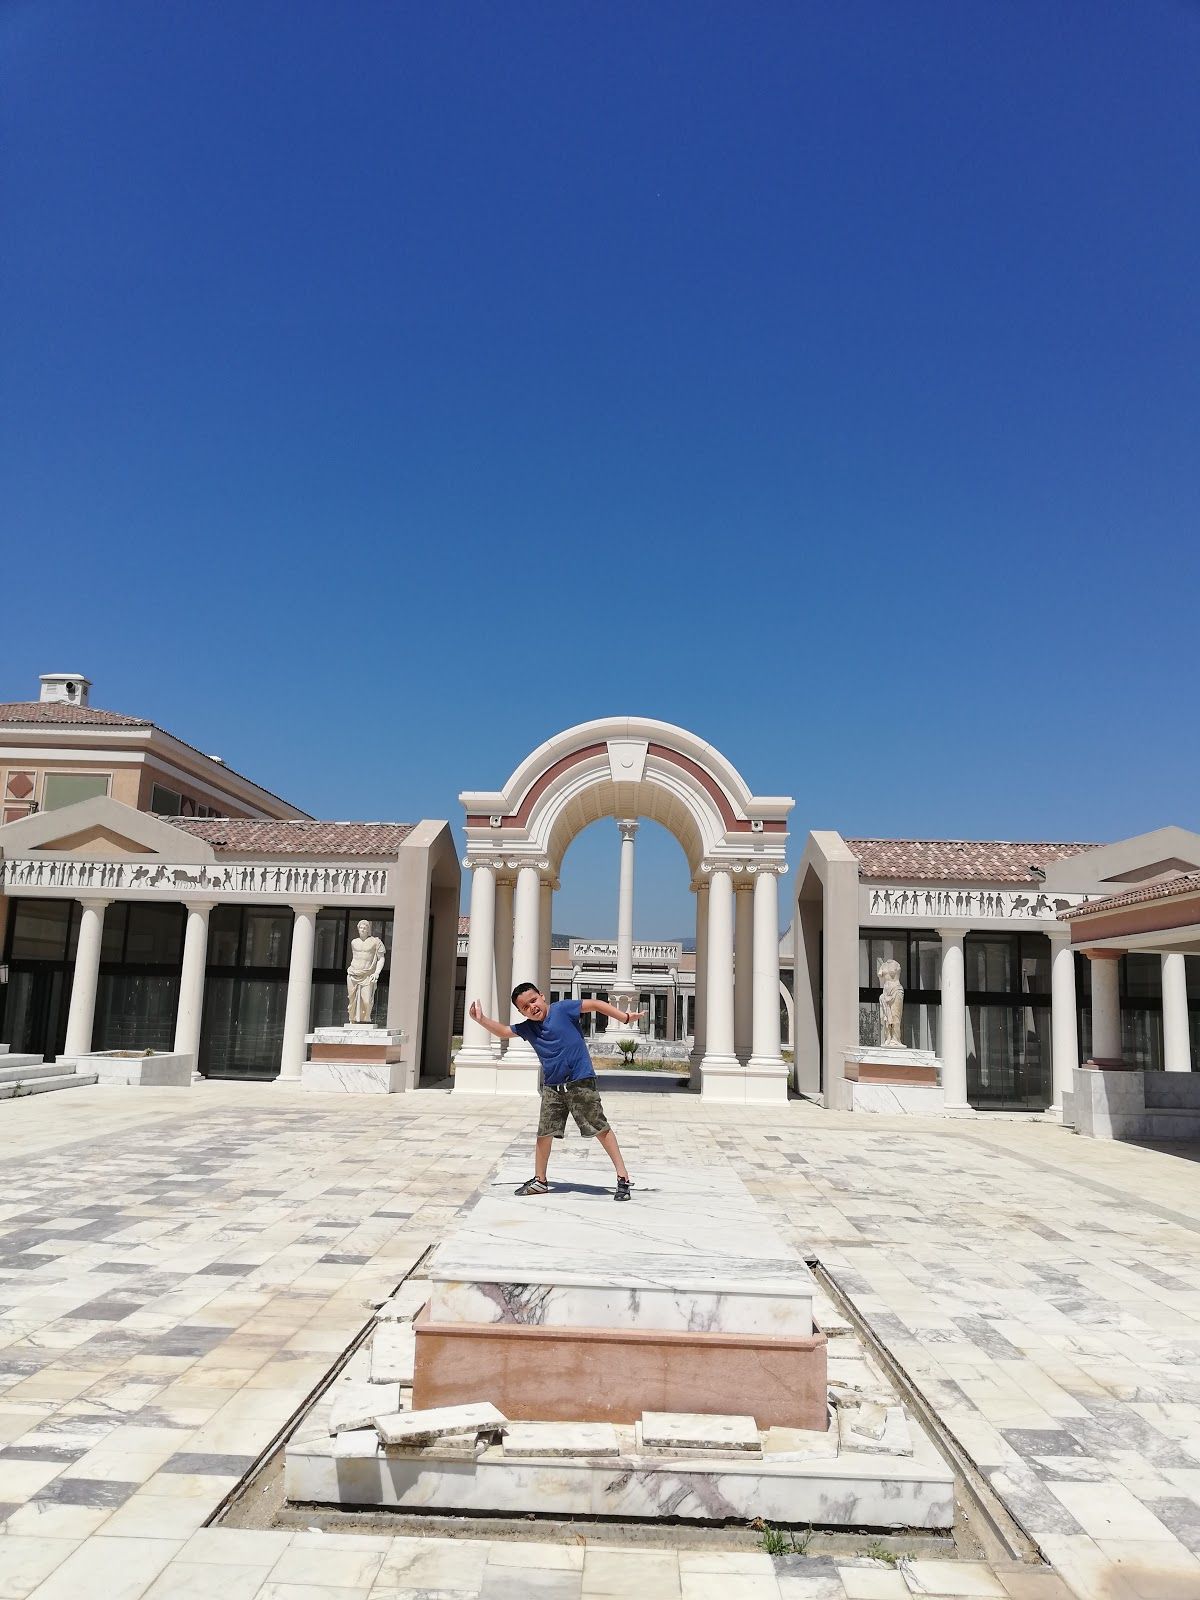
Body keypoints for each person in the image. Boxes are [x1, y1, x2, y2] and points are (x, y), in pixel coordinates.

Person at [467, 985, 638, 1200]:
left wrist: (624, 1017)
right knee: (544, 1134)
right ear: (521, 1012)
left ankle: (623, 1178)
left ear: (542, 997)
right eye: (525, 1006)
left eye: (533, 1000)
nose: (532, 1007)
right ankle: (540, 1180)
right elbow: (503, 1031)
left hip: (581, 1082)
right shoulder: (528, 1028)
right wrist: (480, 1019)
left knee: (600, 1129)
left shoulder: (563, 1009)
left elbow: (595, 1004)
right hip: (552, 1088)